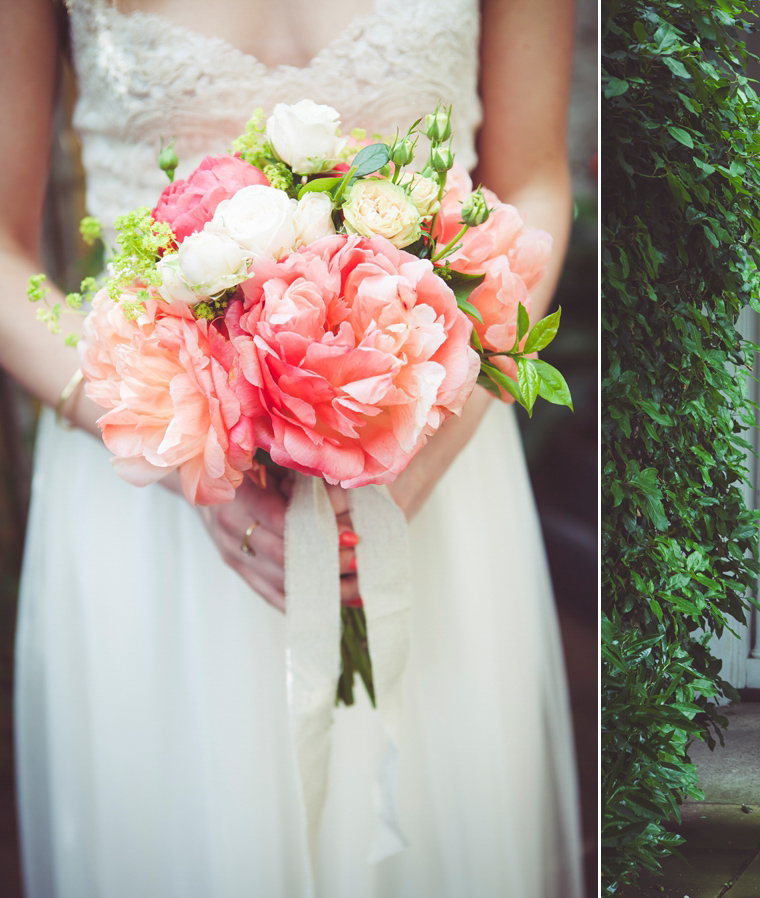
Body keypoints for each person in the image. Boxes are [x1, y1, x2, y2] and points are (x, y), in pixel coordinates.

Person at [0, 1, 584, 895]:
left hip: (432, 464)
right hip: (147, 470)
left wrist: (413, 455)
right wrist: (186, 455)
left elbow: (535, 179)